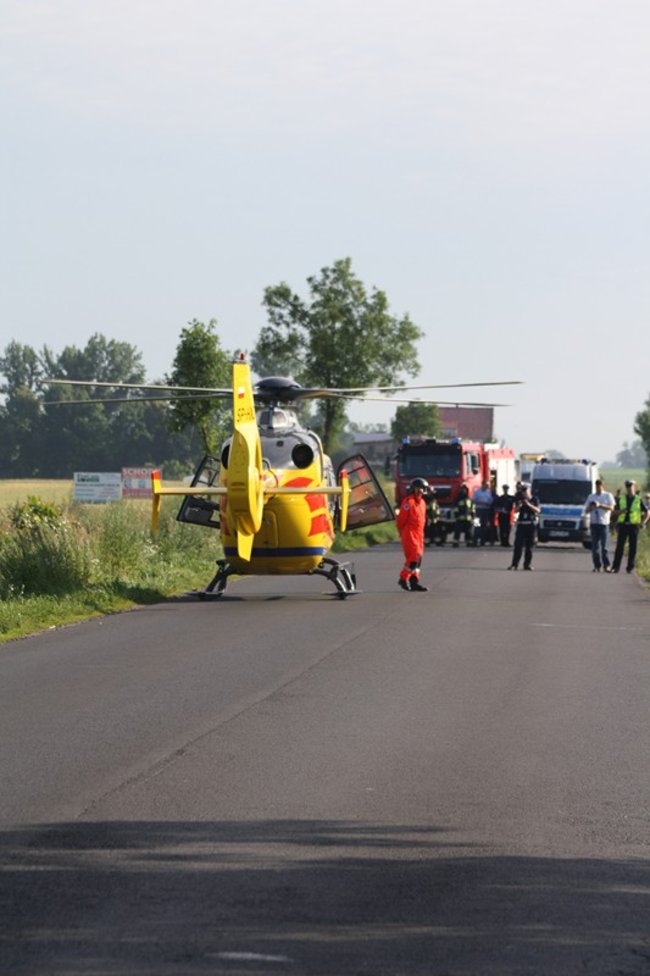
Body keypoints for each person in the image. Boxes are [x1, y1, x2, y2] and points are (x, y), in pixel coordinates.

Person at [396, 478, 429, 591]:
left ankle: (414, 581)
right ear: (413, 489)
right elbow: (401, 520)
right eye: (418, 488)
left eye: (422, 489)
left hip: (419, 534)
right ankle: (403, 578)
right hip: (409, 533)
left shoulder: (423, 503)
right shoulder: (408, 502)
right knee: (413, 558)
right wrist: (401, 532)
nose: (420, 491)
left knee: (419, 559)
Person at [611, 480, 650, 574]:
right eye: (628, 487)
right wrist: (621, 511)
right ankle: (615, 567)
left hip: (634, 526)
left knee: (633, 548)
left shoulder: (638, 499)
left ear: (634, 487)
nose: (629, 489)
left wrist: (643, 522)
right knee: (619, 547)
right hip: (623, 525)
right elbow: (613, 512)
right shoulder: (621, 499)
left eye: (631, 487)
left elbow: (647, 512)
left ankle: (630, 568)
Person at [583, 478, 615, 572]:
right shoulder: (591, 496)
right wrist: (592, 507)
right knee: (595, 547)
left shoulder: (607, 495)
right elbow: (586, 510)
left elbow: (612, 507)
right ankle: (597, 565)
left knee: (604, 547)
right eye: (597, 486)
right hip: (594, 523)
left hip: (604, 523)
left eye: (600, 485)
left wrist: (600, 505)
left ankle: (606, 565)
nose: (598, 487)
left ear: (603, 486)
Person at [508, 482, 540, 570]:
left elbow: (538, 510)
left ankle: (527, 564)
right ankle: (514, 564)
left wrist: (529, 504)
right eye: (523, 491)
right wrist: (520, 505)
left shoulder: (534, 499)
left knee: (529, 546)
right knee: (518, 545)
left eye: (525, 491)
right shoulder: (520, 499)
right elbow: (515, 511)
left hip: (531, 524)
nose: (524, 493)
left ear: (529, 490)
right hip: (522, 524)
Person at [472, 479, 495, 546]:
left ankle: (482, 541)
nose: (487, 486)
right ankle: (475, 541)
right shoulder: (477, 492)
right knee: (477, 525)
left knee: (484, 526)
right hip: (478, 510)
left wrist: (487, 503)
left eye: (488, 485)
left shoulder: (488, 492)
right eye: (486, 485)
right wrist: (481, 502)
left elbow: (491, 501)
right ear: (483, 484)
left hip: (486, 510)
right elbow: (473, 500)